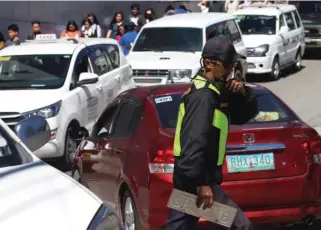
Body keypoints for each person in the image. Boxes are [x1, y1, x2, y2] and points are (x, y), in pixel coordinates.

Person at [162, 36, 258, 230]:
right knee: (242, 226)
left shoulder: (214, 91)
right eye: (227, 65)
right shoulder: (203, 97)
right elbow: (193, 144)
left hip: (189, 179)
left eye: (233, 64)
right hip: (196, 181)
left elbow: (242, 116)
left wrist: (243, 94)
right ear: (208, 63)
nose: (231, 69)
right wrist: (202, 184)